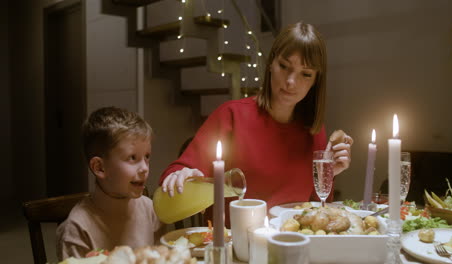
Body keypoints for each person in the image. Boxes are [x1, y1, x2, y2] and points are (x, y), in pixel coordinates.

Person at [159, 22, 353, 214]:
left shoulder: (314, 130)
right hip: (233, 241)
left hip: (292, 241)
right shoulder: (231, 116)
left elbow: (316, 209)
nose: (291, 81)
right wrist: (182, 175)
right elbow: (175, 174)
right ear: (270, 64)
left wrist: (329, 175)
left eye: (306, 74)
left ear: (315, 82)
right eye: (284, 66)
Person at [56, 106, 163, 260]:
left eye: (147, 156)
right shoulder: (77, 229)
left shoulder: (150, 210)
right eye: (132, 158)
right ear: (99, 167)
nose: (144, 168)